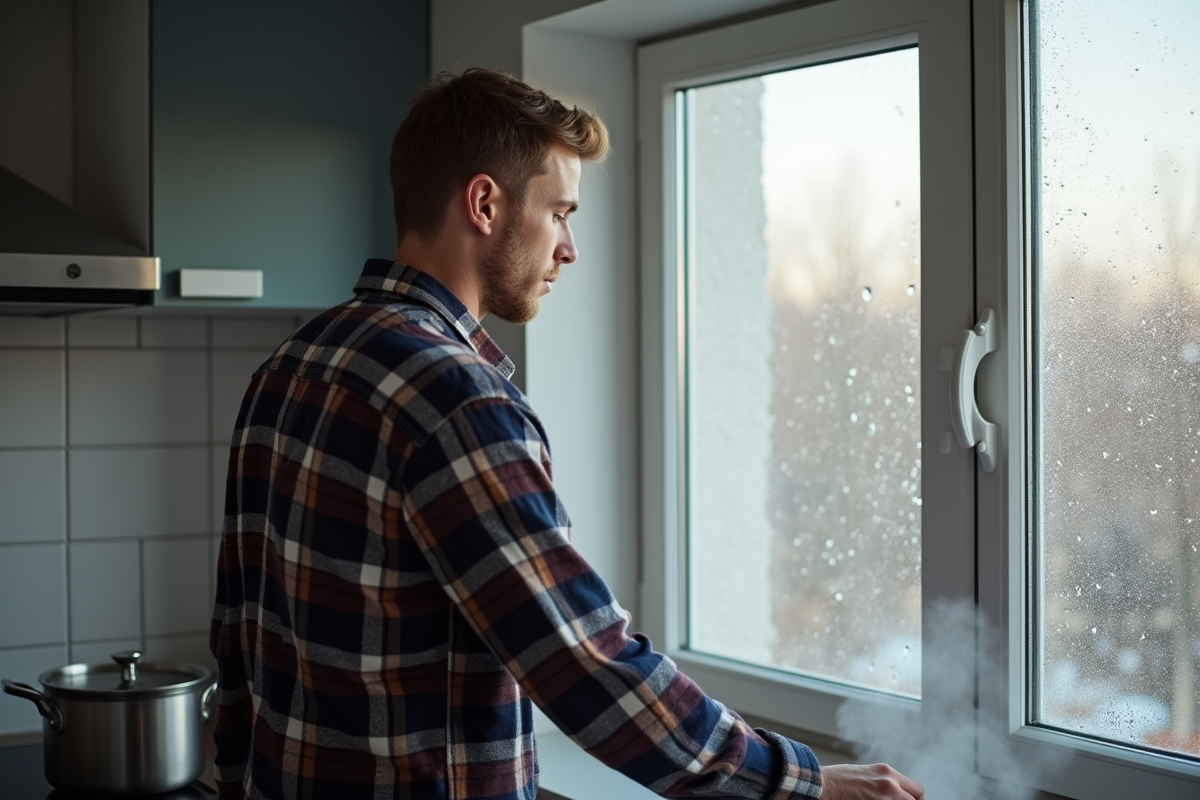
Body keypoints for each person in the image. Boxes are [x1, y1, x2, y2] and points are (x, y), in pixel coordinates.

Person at [210, 67, 924, 800]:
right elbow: (582, 660)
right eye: (560, 213)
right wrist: (803, 783)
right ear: (485, 204)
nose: (570, 248)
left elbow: (235, 642)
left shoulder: (290, 366)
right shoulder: (455, 401)